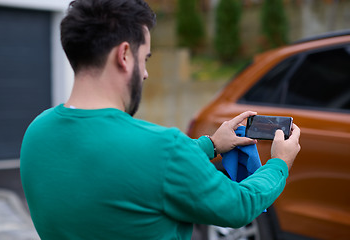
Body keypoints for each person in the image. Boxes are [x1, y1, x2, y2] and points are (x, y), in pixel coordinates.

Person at [20, 0, 301, 239]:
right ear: (125, 55)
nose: (145, 73)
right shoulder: (163, 148)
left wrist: (212, 144)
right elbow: (239, 206)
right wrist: (279, 164)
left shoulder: (36, 132)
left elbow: (130, 166)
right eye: (146, 59)